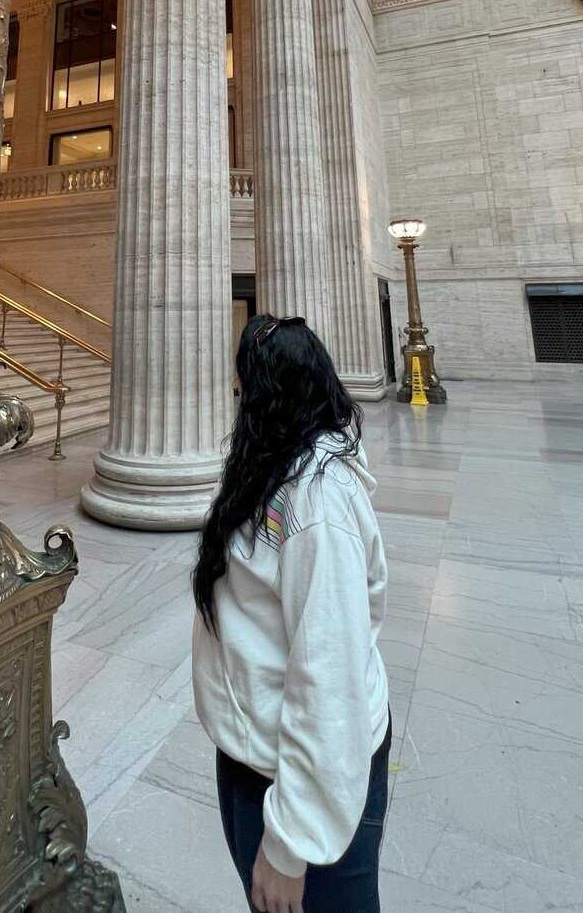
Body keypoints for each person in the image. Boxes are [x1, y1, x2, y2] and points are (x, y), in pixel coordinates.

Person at [192, 314, 391, 913]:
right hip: (256, 755)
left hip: (301, 780)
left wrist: (290, 843)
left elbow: (328, 672)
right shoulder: (275, 466)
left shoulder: (319, 502)